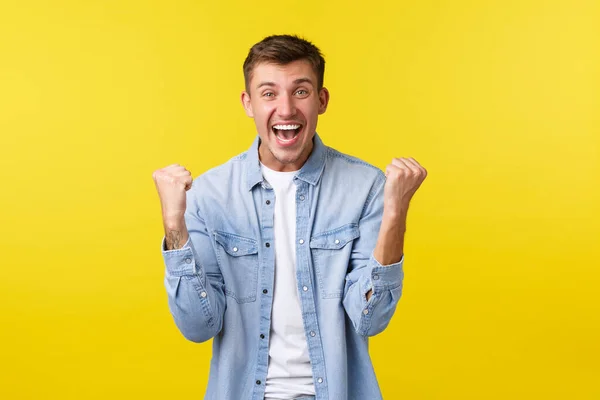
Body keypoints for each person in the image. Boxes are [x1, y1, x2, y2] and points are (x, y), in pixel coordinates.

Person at [152, 34, 427, 400]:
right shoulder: (208, 195)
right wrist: (174, 227)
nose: (285, 109)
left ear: (322, 100)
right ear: (248, 104)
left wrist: (396, 213)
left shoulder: (366, 187)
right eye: (269, 93)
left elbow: (369, 318)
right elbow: (198, 326)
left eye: (300, 91)